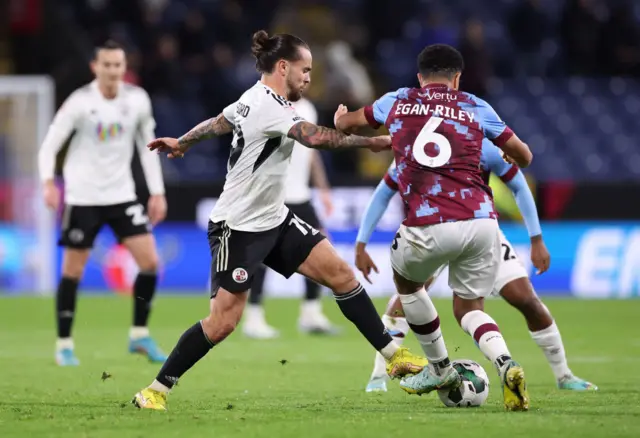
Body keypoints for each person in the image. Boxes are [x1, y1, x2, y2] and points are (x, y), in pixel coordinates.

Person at [131, 30, 426, 411]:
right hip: (236, 227)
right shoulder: (270, 106)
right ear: (283, 67)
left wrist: (184, 141)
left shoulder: (253, 98)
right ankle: (156, 389)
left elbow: (219, 122)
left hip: (275, 218)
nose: (308, 78)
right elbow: (316, 139)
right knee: (222, 323)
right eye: (304, 70)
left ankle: (392, 354)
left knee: (340, 275)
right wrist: (369, 142)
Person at [335, 44, 533, 411]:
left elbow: (346, 126)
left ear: (419, 77)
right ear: (457, 78)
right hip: (481, 222)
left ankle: (440, 367)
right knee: (470, 308)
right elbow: (524, 155)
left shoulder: (397, 100)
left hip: (427, 222)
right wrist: (510, 154)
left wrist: (341, 116)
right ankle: (507, 363)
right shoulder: (476, 105)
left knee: (407, 284)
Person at [358, 141, 597, 393]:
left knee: (526, 299)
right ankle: (377, 377)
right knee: (408, 301)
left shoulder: (478, 142)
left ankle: (564, 375)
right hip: (434, 229)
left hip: (475, 229)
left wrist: (536, 238)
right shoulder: (415, 142)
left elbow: (518, 184)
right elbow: (384, 192)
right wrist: (361, 242)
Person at [38, 40, 168, 366]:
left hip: (121, 195)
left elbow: (147, 147)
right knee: (73, 271)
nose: (113, 71)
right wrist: (48, 183)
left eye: (118, 65)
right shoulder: (80, 103)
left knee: (150, 262)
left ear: (125, 68)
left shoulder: (137, 100)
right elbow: (49, 146)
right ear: (95, 67)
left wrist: (157, 191)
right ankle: (64, 344)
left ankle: (139, 335)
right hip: (83, 198)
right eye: (106, 65)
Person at [244, 97, 340, 339]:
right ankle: (253, 317)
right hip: (272, 195)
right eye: (302, 71)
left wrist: (323, 187)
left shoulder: (308, 107)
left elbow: (311, 151)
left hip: (301, 195)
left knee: (322, 250)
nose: (306, 78)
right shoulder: (263, 104)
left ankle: (311, 313)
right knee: (263, 256)